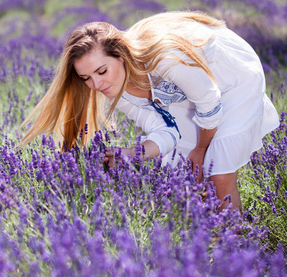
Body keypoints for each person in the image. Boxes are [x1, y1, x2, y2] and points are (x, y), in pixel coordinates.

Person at [18, 11, 280, 211]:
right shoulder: (115, 93)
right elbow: (165, 131)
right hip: (190, 95)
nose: (96, 84)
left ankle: (237, 246)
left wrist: (200, 150)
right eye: (86, 78)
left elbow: (209, 103)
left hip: (231, 77)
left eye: (101, 71)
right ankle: (210, 245)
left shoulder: (162, 59)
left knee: (218, 170)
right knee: (183, 175)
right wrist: (133, 154)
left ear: (120, 56)